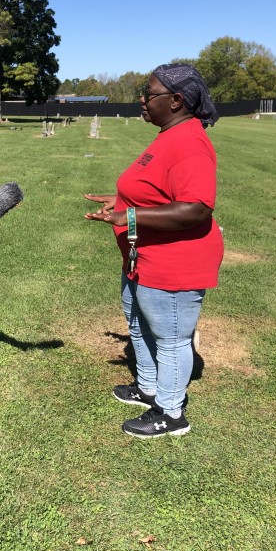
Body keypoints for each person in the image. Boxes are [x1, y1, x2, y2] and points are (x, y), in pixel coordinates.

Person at [85, 63, 223, 438]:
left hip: (174, 262)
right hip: (142, 256)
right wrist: (121, 200)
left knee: (172, 336)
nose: (142, 100)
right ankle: (147, 389)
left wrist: (127, 214)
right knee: (138, 322)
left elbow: (195, 208)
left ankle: (170, 412)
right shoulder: (169, 135)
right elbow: (155, 191)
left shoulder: (191, 143)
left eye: (149, 93)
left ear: (176, 101)